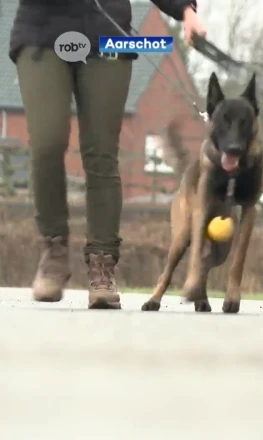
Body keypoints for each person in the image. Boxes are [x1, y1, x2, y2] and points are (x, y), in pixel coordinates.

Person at [9, 0, 207, 309]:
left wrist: (185, 11)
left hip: (106, 33)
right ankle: (54, 251)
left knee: (101, 152)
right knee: (47, 143)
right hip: (42, 32)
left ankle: (102, 265)